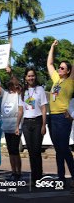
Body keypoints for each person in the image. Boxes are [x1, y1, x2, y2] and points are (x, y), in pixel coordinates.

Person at [47, 40, 74, 187]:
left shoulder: (70, 81)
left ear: (68, 71)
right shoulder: (56, 79)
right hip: (52, 117)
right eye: (60, 67)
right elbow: (50, 64)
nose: (59, 69)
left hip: (63, 118)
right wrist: (52, 48)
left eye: (63, 68)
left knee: (64, 148)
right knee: (58, 149)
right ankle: (61, 178)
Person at [15, 66, 47, 186]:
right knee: (31, 152)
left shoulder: (40, 89)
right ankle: (34, 177)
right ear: (25, 77)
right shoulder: (23, 92)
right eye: (29, 76)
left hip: (38, 122)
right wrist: (17, 126)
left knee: (37, 151)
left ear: (35, 77)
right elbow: (20, 111)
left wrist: (44, 125)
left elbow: (44, 108)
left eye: (32, 75)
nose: (31, 78)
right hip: (27, 123)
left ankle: (39, 177)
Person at [0, 67, 22, 181]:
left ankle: (18, 172)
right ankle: (13, 171)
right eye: (9, 86)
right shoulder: (5, 94)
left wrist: (11, 73)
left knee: (15, 150)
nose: (11, 87)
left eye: (12, 85)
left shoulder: (18, 94)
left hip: (15, 126)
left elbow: (17, 84)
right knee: (10, 151)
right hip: (7, 126)